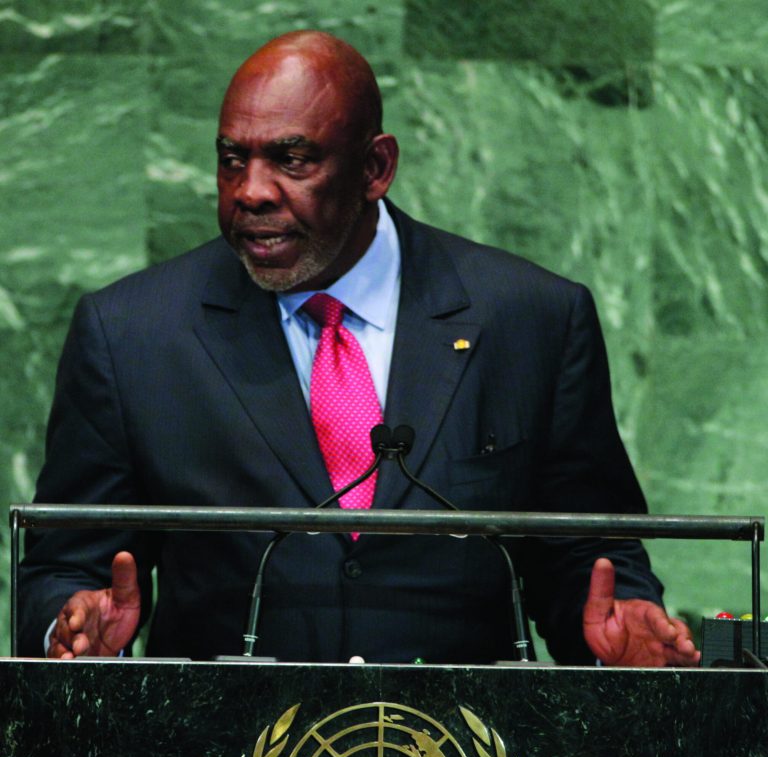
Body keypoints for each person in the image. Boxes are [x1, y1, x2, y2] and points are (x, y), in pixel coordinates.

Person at [19, 31, 699, 668]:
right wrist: (70, 628)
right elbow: (66, 566)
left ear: (376, 167)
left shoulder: (530, 319)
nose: (252, 190)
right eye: (233, 160)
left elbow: (591, 550)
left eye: (291, 158)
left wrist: (620, 637)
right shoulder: (132, 333)